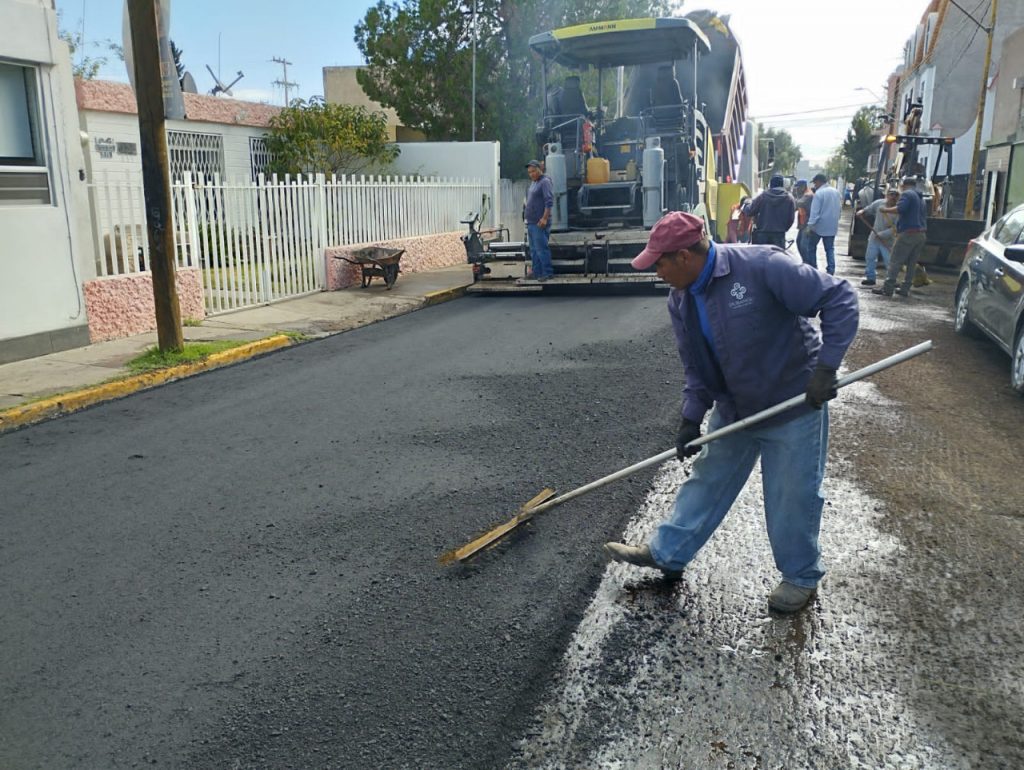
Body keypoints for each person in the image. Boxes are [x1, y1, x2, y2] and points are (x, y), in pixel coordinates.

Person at [603, 211, 859, 613]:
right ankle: (668, 553)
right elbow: (696, 366)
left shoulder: (762, 266)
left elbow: (839, 297)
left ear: (685, 256)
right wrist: (691, 417)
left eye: (660, 263)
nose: (657, 271)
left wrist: (826, 368)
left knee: (792, 496)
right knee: (708, 479)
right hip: (736, 407)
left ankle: (800, 577)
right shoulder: (681, 299)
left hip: (791, 402)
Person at [873, 176, 928, 297]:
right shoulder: (921, 197)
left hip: (908, 233)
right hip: (921, 234)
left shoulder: (907, 194)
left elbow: (901, 209)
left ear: (904, 184)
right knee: (912, 263)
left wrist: (885, 210)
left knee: (895, 260)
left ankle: (887, 288)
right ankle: (905, 289)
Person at [856, 188, 898, 286]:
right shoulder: (879, 203)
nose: (893, 197)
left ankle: (891, 280)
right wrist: (862, 211)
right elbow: (869, 208)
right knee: (870, 257)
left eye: (895, 195)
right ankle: (870, 278)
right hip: (874, 238)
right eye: (891, 194)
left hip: (888, 240)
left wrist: (882, 234)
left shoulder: (898, 210)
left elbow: (896, 228)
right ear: (887, 195)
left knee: (889, 261)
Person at [742, 174, 795, 249]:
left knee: (762, 259)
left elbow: (750, 211)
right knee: (778, 258)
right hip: (779, 236)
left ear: (771, 184)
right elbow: (791, 219)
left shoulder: (763, 196)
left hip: (762, 235)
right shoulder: (789, 199)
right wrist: (783, 229)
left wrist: (746, 203)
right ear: (782, 184)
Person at [806, 173, 842, 275]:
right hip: (832, 225)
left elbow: (815, 212)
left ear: (819, 181)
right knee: (829, 249)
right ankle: (831, 269)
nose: (814, 185)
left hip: (818, 226)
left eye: (815, 183)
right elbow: (839, 209)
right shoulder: (836, 192)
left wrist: (810, 226)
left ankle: (813, 268)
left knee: (811, 247)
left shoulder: (819, 193)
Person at [524, 159, 554, 281]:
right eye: (529, 172)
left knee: (541, 248)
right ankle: (536, 272)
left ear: (539, 170)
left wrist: (544, 218)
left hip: (539, 222)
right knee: (534, 250)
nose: (531, 174)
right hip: (531, 222)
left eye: (533, 171)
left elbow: (549, 202)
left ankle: (547, 272)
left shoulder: (545, 182)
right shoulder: (534, 183)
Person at [793, 179, 815, 265]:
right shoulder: (804, 194)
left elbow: (799, 204)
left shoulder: (808, 195)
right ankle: (806, 262)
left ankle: (808, 264)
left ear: (803, 187)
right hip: (803, 224)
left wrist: (793, 196)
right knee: (799, 242)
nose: (796, 189)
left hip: (808, 224)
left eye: (798, 188)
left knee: (803, 245)